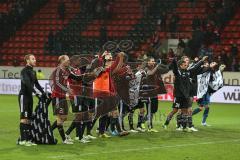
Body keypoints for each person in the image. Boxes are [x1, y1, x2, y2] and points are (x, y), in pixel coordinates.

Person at [18, 54, 46, 146]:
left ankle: (27, 140)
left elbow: (36, 84)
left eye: (35, 59)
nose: (35, 60)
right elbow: (27, 84)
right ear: (27, 60)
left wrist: (43, 92)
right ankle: (22, 140)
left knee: (29, 119)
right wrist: (36, 93)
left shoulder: (33, 72)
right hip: (24, 96)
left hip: (29, 97)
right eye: (33, 59)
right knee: (24, 118)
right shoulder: (24, 71)